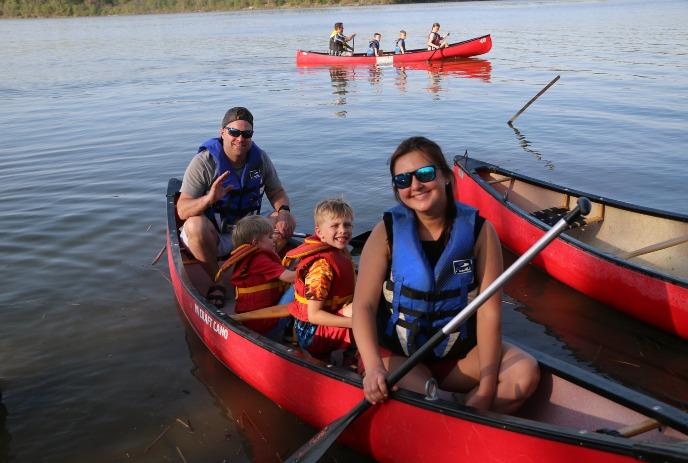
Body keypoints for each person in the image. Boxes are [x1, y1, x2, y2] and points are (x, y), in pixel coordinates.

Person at [352, 137, 540, 413]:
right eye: (403, 180)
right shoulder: (386, 232)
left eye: (425, 174)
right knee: (430, 399)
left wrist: (487, 390)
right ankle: (455, 409)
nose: (415, 185)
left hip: (457, 356)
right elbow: (364, 306)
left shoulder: (480, 231)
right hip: (397, 355)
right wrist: (373, 368)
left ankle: (465, 409)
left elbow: (489, 313)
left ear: (446, 177)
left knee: (525, 374)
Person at [177, 106, 296, 309]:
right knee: (194, 226)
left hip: (246, 233)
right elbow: (182, 210)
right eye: (234, 132)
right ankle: (217, 279)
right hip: (214, 235)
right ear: (222, 132)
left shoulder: (260, 159)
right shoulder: (204, 163)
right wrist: (208, 199)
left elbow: (276, 192)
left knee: (286, 220)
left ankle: (260, 267)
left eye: (246, 134)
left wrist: (283, 212)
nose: (240, 139)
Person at [282, 198, 356, 359]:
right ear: (320, 233)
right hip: (311, 332)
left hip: (330, 316)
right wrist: (355, 323)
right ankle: (355, 361)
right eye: (335, 226)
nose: (343, 230)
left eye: (347, 225)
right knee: (366, 317)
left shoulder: (341, 251)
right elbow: (314, 316)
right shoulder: (322, 267)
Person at [213, 215, 296, 337]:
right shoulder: (260, 260)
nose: (274, 240)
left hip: (253, 324)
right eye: (269, 237)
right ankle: (295, 329)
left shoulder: (251, 256)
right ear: (255, 243)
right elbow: (291, 278)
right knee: (303, 284)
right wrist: (312, 269)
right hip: (267, 327)